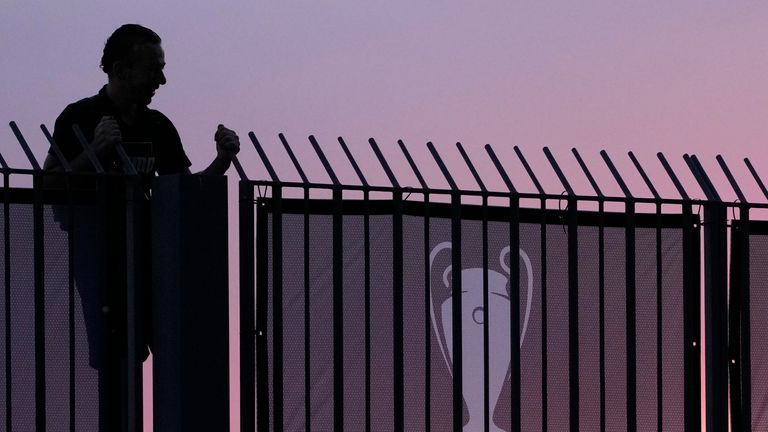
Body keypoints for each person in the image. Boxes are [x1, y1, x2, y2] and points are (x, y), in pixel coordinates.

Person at [42, 24, 240, 429]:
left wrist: (221, 161)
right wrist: (94, 150)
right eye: (152, 69)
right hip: (100, 256)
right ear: (120, 68)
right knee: (116, 357)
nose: (161, 80)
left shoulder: (158, 126)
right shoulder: (80, 117)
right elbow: (45, 186)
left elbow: (182, 192)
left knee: (173, 343)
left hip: (153, 254)